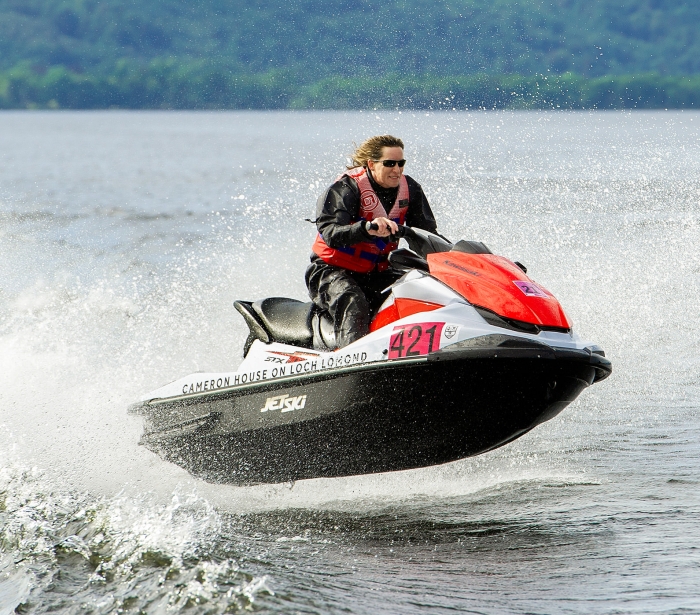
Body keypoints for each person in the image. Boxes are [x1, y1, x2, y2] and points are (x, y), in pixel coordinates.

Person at [305, 134, 440, 348]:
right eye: (389, 164)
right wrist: (368, 228)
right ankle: (351, 362)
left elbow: (427, 236)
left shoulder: (410, 189)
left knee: (422, 288)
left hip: (376, 273)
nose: (397, 169)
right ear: (371, 164)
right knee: (352, 300)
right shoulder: (347, 188)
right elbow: (330, 233)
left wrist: (458, 259)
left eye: (401, 163)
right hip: (330, 272)